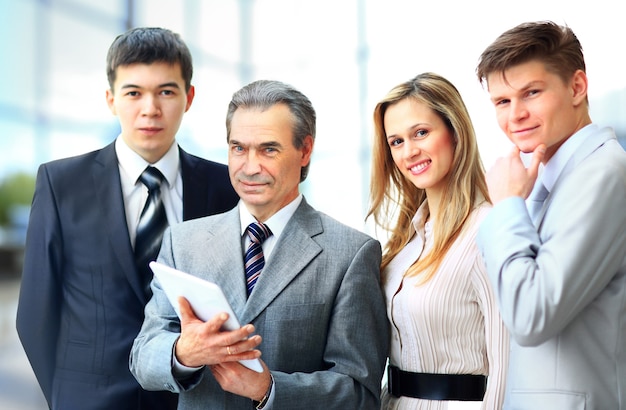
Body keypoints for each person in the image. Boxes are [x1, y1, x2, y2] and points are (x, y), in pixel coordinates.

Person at [129, 79, 389, 409]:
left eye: (268, 149)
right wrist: (184, 352)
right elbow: (143, 355)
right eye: (239, 148)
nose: (250, 168)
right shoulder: (183, 242)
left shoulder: (350, 254)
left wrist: (268, 387)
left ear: (305, 150)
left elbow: (359, 393)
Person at [15, 27, 239, 410]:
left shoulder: (225, 186)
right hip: (88, 400)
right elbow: (35, 315)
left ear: (189, 98)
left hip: (191, 397)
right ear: (110, 99)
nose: (150, 108)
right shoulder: (61, 184)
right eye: (133, 93)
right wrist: (65, 398)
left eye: (166, 92)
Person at [475, 21, 626, 409]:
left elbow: (531, 315)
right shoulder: (550, 179)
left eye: (532, 93)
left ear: (577, 87)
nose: (516, 115)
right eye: (502, 102)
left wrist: (507, 206)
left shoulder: (603, 173)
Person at [367, 72, 509, 409]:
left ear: (455, 132)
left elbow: (508, 364)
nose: (409, 151)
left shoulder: (488, 229)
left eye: (421, 133)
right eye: (396, 141)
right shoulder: (405, 243)